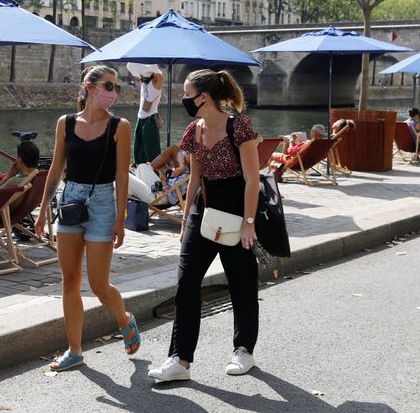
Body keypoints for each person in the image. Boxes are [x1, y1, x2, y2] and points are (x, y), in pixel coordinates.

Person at [149, 69, 261, 382]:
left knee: (241, 282)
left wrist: (249, 222)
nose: (183, 98)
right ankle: (180, 360)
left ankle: (244, 350)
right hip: (204, 208)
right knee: (186, 283)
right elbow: (195, 177)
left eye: (187, 93)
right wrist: (185, 219)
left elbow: (252, 178)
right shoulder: (195, 130)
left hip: (237, 208)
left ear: (204, 97)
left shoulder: (238, 126)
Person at [34, 64, 140, 372]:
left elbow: (122, 175)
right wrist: (42, 210)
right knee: (69, 280)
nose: (114, 92)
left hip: (104, 204)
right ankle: (75, 350)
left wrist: (120, 218)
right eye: (109, 86)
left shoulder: (120, 126)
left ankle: (124, 319)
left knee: (98, 284)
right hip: (70, 202)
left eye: (117, 87)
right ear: (90, 87)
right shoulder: (65, 123)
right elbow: (55, 169)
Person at [127, 62, 164, 164]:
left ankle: (156, 172)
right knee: (138, 149)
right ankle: (139, 168)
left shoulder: (156, 82)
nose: (141, 77)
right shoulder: (145, 82)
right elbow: (131, 67)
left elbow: (158, 74)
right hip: (141, 118)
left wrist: (151, 63)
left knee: (153, 152)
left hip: (150, 119)